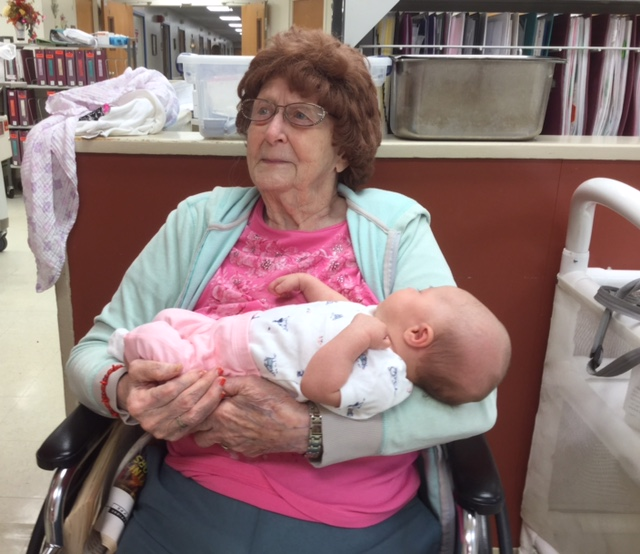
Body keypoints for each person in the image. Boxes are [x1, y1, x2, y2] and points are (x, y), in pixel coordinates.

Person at [66, 26, 501, 554]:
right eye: (261, 111)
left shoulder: (394, 229)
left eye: (300, 116)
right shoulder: (199, 221)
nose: (271, 130)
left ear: (343, 147)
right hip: (194, 498)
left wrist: (312, 432)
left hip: (353, 517)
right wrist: (126, 391)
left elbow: (473, 405)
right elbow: (92, 352)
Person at [110, 273, 510, 419]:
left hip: (229, 363)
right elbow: (337, 309)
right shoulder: (373, 321)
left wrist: (358, 336)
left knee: (164, 350)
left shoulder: (387, 380)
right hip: (230, 330)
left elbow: (319, 386)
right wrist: (308, 284)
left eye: (421, 292)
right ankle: (144, 337)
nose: (412, 288)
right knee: (173, 319)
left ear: (418, 335)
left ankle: (127, 345)